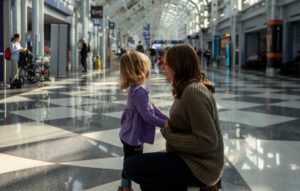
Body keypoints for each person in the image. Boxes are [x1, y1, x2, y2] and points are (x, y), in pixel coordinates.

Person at [124, 44, 224, 191]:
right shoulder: (187, 88)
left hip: (201, 167)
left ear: (178, 66)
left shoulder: (193, 92)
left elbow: (207, 141)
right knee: (143, 170)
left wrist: (168, 132)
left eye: (166, 64)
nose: (163, 69)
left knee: (132, 166)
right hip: (190, 159)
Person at [118, 50, 169, 191]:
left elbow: (151, 107)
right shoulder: (139, 91)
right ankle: (125, 187)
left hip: (130, 132)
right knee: (132, 162)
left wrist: (165, 118)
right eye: (148, 66)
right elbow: (146, 115)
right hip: (133, 135)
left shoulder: (138, 88)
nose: (150, 69)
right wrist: (163, 123)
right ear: (140, 69)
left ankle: (124, 186)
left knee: (130, 160)